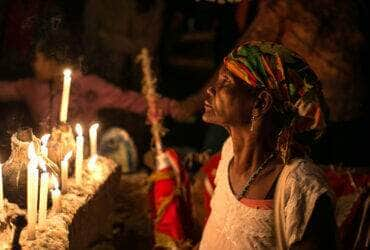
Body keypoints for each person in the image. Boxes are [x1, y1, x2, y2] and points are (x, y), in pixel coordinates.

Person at [197, 41, 338, 249]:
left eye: (225, 82)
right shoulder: (228, 152)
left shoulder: (298, 186)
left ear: (261, 103)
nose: (211, 90)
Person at [0, 34, 182, 134]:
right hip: (47, 161)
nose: (33, 64)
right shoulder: (30, 87)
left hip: (84, 157)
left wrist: (174, 107)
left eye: (38, 59)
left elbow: (128, 100)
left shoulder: (88, 85)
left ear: (53, 61)